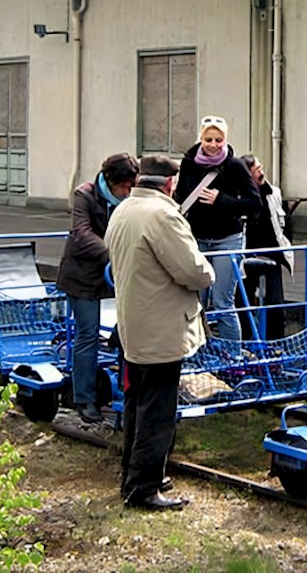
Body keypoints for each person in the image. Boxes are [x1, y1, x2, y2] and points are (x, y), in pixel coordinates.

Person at [105, 155, 214, 511]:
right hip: (161, 328)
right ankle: (145, 487)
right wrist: (208, 270)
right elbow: (193, 270)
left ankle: (133, 476)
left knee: (137, 403)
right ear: (169, 183)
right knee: (158, 410)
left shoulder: (123, 210)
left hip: (133, 325)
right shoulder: (163, 215)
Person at [56, 152, 138, 424]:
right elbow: (81, 233)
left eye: (132, 186)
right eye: (125, 186)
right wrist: (115, 252)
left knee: (131, 325)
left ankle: (128, 394)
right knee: (87, 333)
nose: (128, 191)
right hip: (82, 275)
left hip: (116, 274)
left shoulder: (131, 200)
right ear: (111, 181)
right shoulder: (86, 195)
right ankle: (84, 399)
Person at [174, 116, 260, 342]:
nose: (213, 145)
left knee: (223, 302)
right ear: (201, 138)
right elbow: (181, 196)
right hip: (197, 238)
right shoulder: (189, 163)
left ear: (225, 140)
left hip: (227, 238)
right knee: (196, 302)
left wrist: (221, 199)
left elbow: (254, 204)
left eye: (219, 140)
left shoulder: (235, 165)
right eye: (209, 139)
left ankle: (233, 357)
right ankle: (199, 352)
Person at [238, 153, 294, 341]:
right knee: (243, 303)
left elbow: (284, 224)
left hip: (272, 254)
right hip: (246, 256)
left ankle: (275, 346)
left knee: (275, 305)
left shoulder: (273, 193)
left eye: (261, 168)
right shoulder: (240, 196)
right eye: (256, 171)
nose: (261, 173)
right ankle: (247, 343)